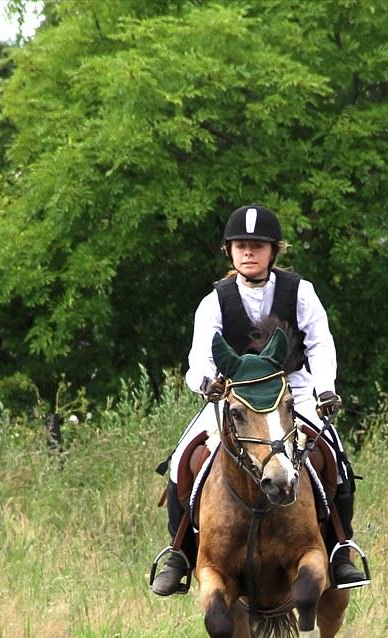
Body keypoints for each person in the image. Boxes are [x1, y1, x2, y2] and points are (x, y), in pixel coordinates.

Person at [150, 203, 367, 595]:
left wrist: (326, 387)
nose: (248, 253)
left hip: (292, 390)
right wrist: (207, 383)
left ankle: (340, 549)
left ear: (274, 251)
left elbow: (320, 343)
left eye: (258, 246)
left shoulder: (300, 291)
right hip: (235, 395)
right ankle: (178, 552)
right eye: (240, 246)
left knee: (335, 457)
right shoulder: (214, 300)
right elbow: (197, 358)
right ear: (229, 251)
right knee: (183, 456)